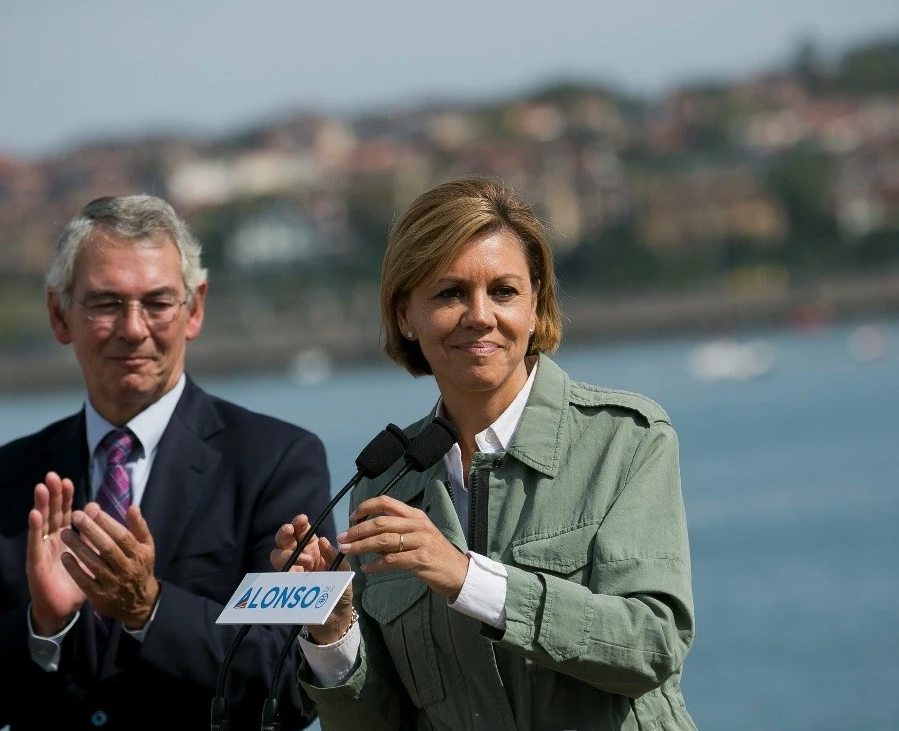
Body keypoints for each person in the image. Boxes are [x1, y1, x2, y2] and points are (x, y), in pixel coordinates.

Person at [273, 177, 697, 730]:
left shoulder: (627, 439)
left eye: (503, 291)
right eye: (449, 293)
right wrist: (332, 631)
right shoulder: (385, 482)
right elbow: (379, 722)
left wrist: (465, 577)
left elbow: (652, 645)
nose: (480, 315)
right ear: (406, 316)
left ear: (535, 301)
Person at [0, 195, 332, 731]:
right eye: (106, 304)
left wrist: (150, 609)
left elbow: (292, 682)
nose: (133, 328)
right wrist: (40, 626)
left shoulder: (278, 463)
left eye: (158, 302)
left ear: (195, 308)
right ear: (58, 313)